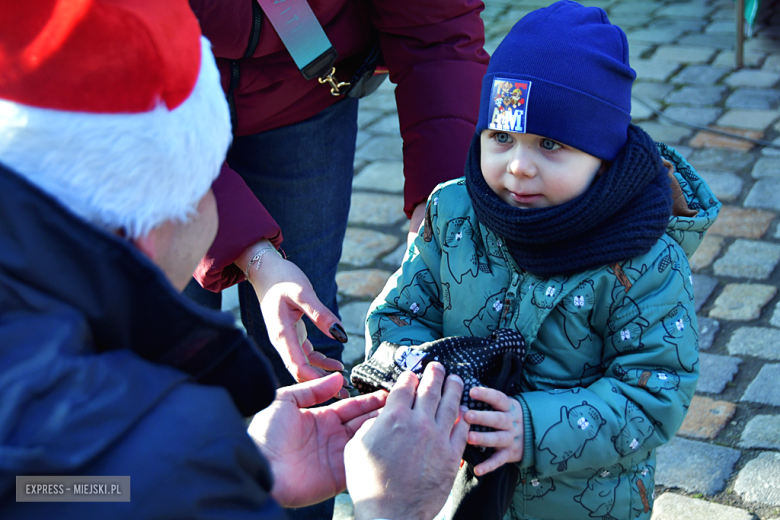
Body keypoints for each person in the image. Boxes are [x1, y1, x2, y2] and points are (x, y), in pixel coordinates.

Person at [0, 1, 469, 518]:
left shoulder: (100, 431)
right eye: (206, 177)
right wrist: (393, 506)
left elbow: (61, 490)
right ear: (164, 204)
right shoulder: (170, 445)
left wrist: (251, 473)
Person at [365, 2, 722, 519]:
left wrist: (530, 427)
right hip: (460, 486)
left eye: (550, 144)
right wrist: (426, 380)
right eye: (501, 137)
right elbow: (399, 315)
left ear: (603, 155)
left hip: (588, 502)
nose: (517, 166)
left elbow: (654, 392)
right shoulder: (452, 213)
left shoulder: (645, 259)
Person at [183, 0, 490, 394]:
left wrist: (441, 202)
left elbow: (437, 30)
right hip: (151, 109)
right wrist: (257, 258)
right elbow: (128, 105)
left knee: (308, 338)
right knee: (170, 341)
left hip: (301, 94)